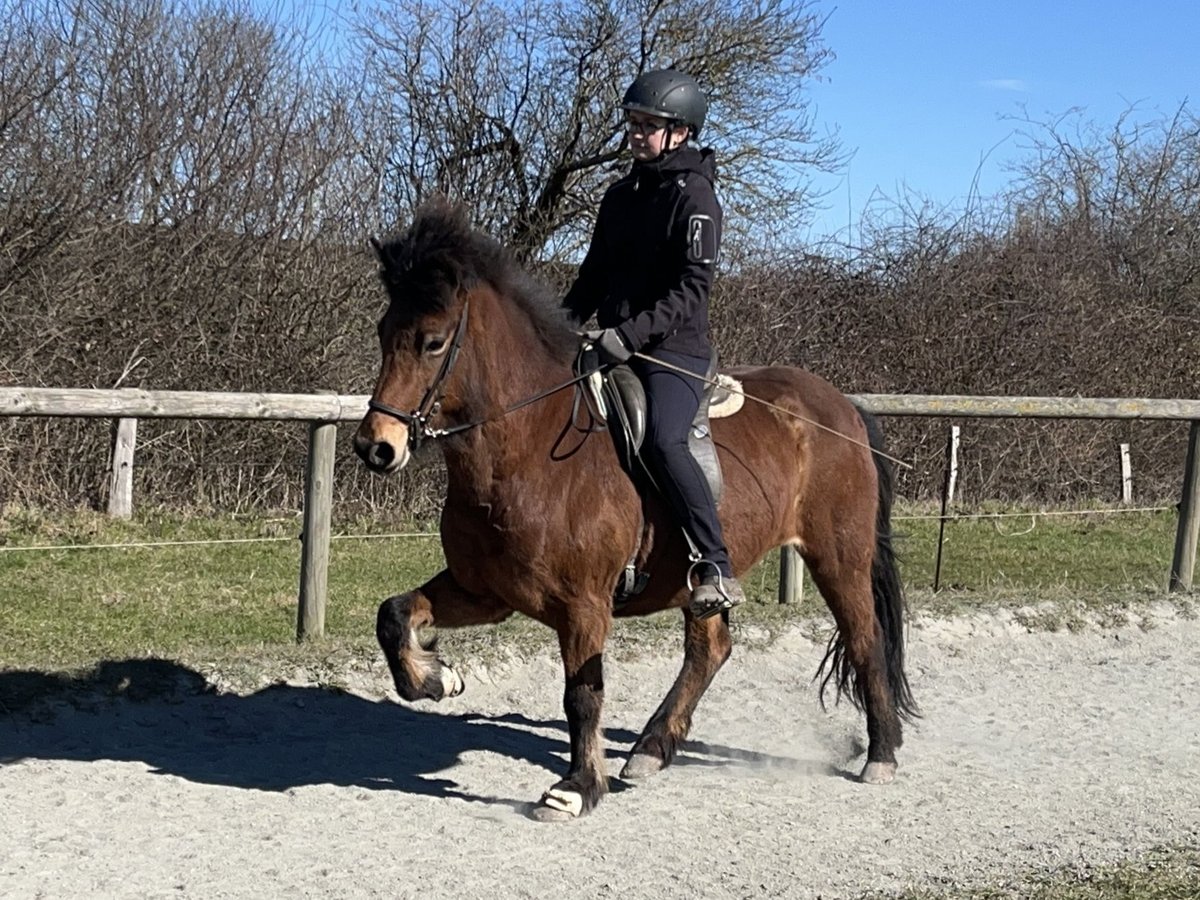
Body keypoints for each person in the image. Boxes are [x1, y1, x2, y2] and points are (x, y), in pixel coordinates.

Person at [562, 68, 745, 619]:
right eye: (634, 123)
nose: (637, 134)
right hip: (612, 342)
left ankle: (714, 564)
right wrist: (555, 329)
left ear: (681, 132)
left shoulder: (697, 199)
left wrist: (629, 334)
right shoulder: (619, 196)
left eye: (649, 125)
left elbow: (692, 289)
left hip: (672, 350)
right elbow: (592, 277)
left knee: (664, 439)